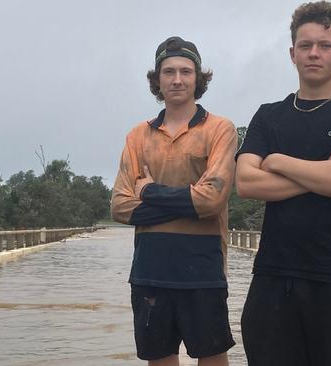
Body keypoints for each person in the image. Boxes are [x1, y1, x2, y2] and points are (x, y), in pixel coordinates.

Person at [235, 2, 331, 365]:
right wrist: (325, 169)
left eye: (325, 45)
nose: (314, 53)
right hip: (273, 278)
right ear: (292, 53)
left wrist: (280, 162)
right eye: (305, 45)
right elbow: (247, 183)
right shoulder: (269, 115)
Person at [110, 36, 237, 366]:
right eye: (168, 72)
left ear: (199, 78)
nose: (177, 79)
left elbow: (212, 200)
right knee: (160, 359)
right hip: (150, 270)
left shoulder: (220, 129)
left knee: (212, 357)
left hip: (204, 268)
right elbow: (120, 206)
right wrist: (189, 203)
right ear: (157, 79)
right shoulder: (138, 135)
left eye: (185, 71)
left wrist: (150, 192)